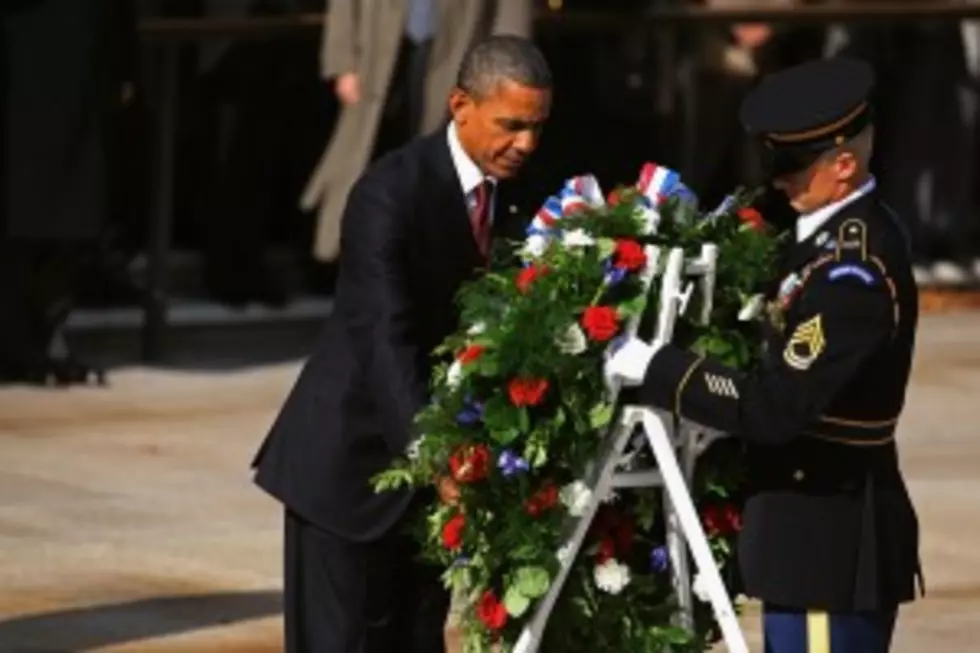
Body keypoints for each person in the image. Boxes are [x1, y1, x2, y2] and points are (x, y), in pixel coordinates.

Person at [606, 58, 921, 653]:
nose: (778, 181)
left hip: (826, 545)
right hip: (805, 536)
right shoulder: (820, 240)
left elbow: (776, 407)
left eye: (792, 166)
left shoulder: (850, 274)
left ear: (845, 166)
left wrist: (658, 368)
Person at [251, 35, 552, 653]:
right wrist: (434, 458)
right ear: (459, 105)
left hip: (429, 485)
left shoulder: (519, 190)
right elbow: (385, 338)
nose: (526, 144)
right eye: (511, 125)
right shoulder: (390, 193)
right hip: (349, 467)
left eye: (537, 127)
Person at [300, 0, 533, 265]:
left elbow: (511, 9)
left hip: (460, 44)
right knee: (369, 159)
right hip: (378, 49)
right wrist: (342, 62)